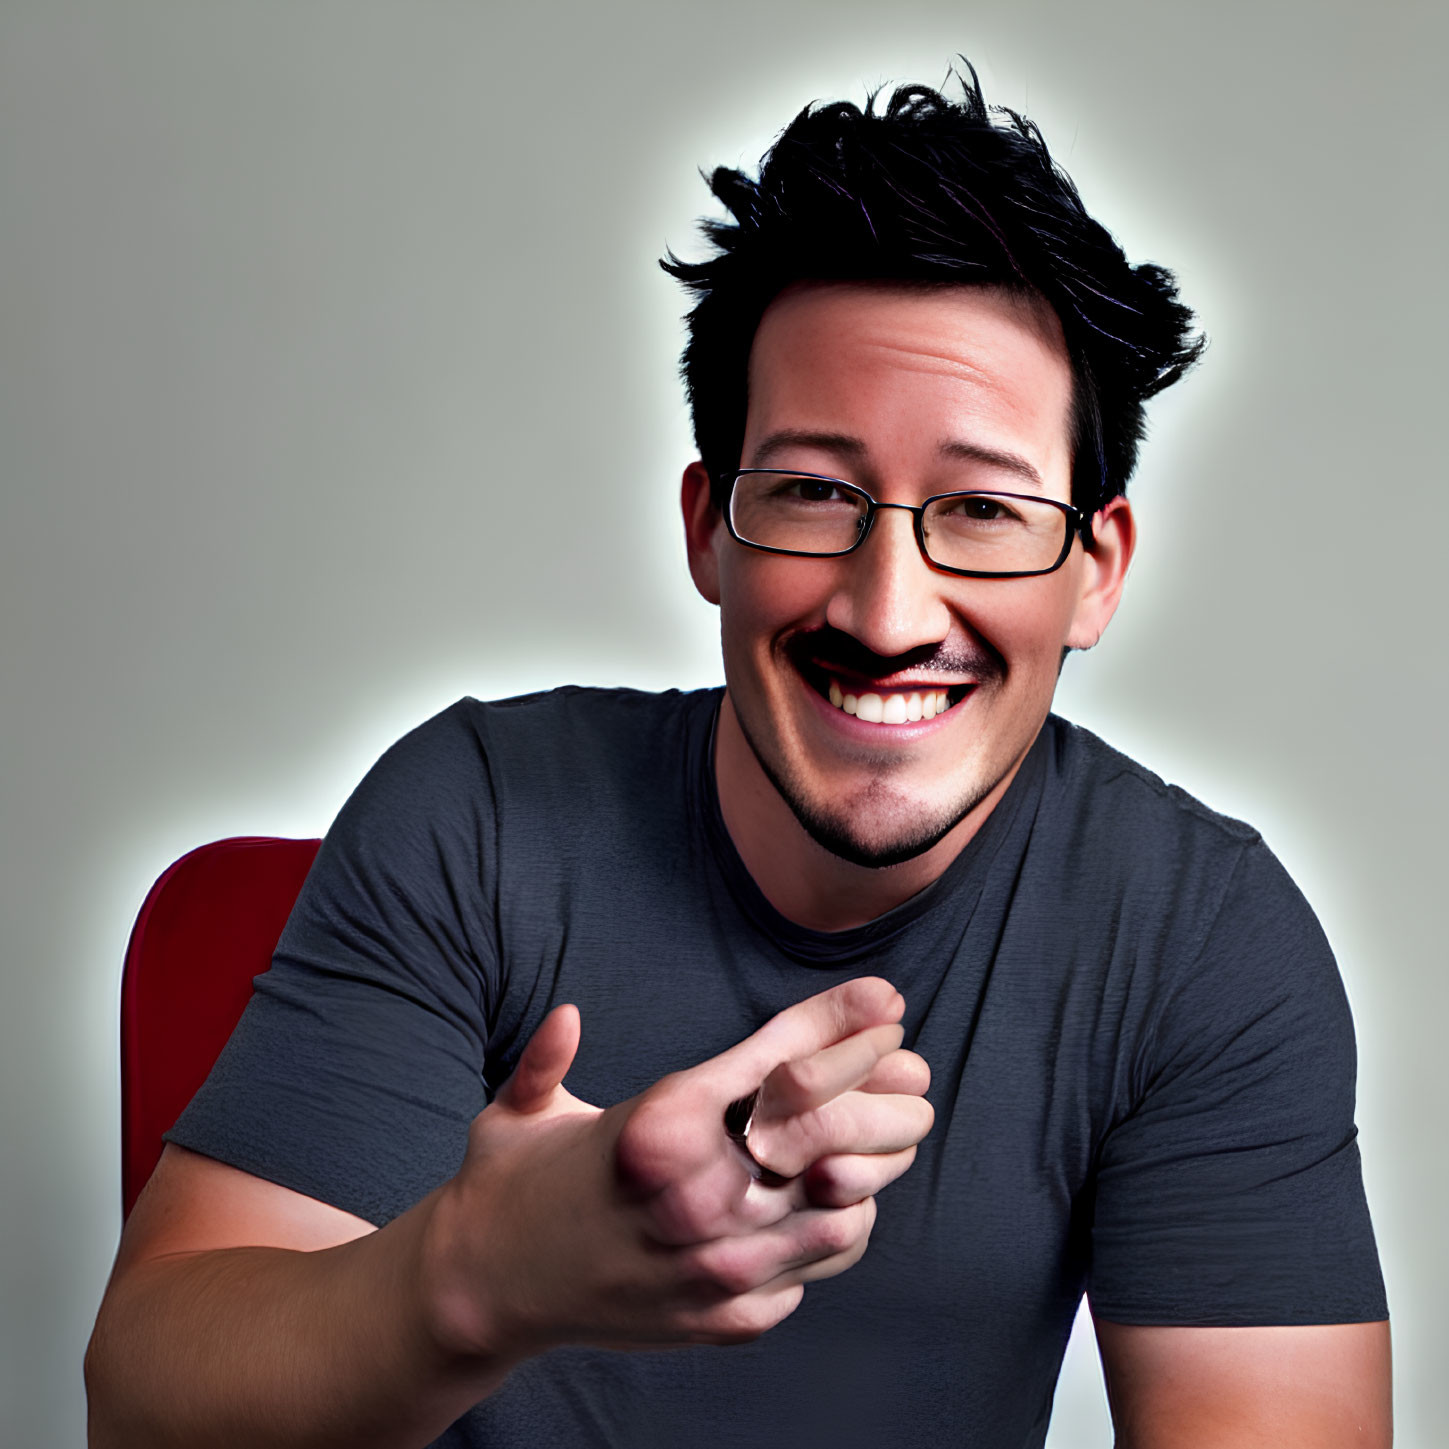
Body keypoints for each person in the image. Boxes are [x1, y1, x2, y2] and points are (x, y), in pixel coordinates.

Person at [85, 67, 1390, 1447]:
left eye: (985, 509)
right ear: (708, 526)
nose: (887, 614)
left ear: (1093, 571)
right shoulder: (475, 816)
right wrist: (475, 1275)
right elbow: (143, 1407)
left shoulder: (1200, 937)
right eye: (814, 492)